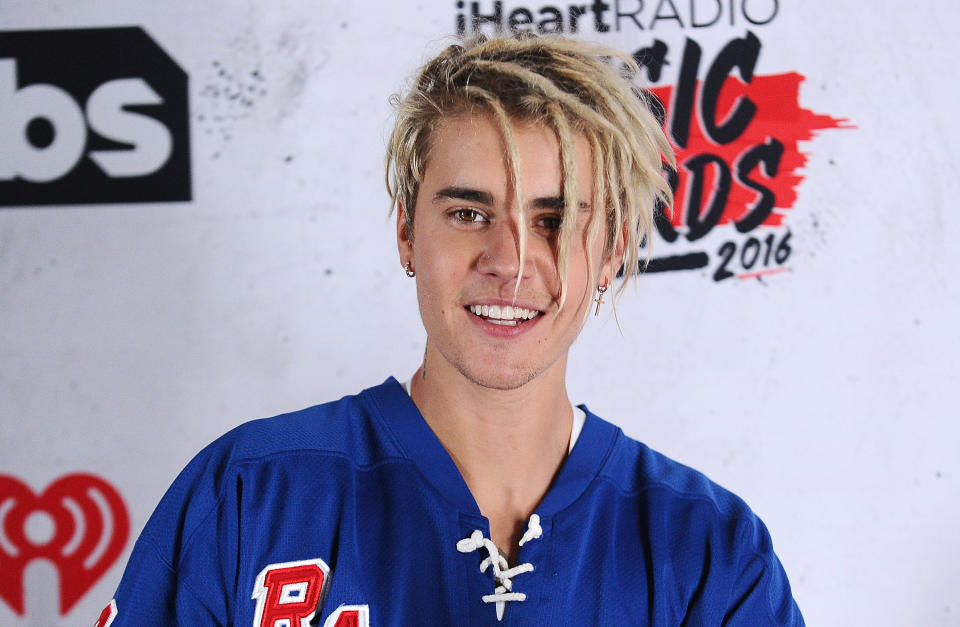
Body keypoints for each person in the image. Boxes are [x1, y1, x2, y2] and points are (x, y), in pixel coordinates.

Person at [97, 34, 804, 626]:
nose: (509, 261)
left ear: (613, 247)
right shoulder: (248, 496)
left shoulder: (709, 550)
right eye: (469, 213)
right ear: (406, 230)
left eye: (554, 221)